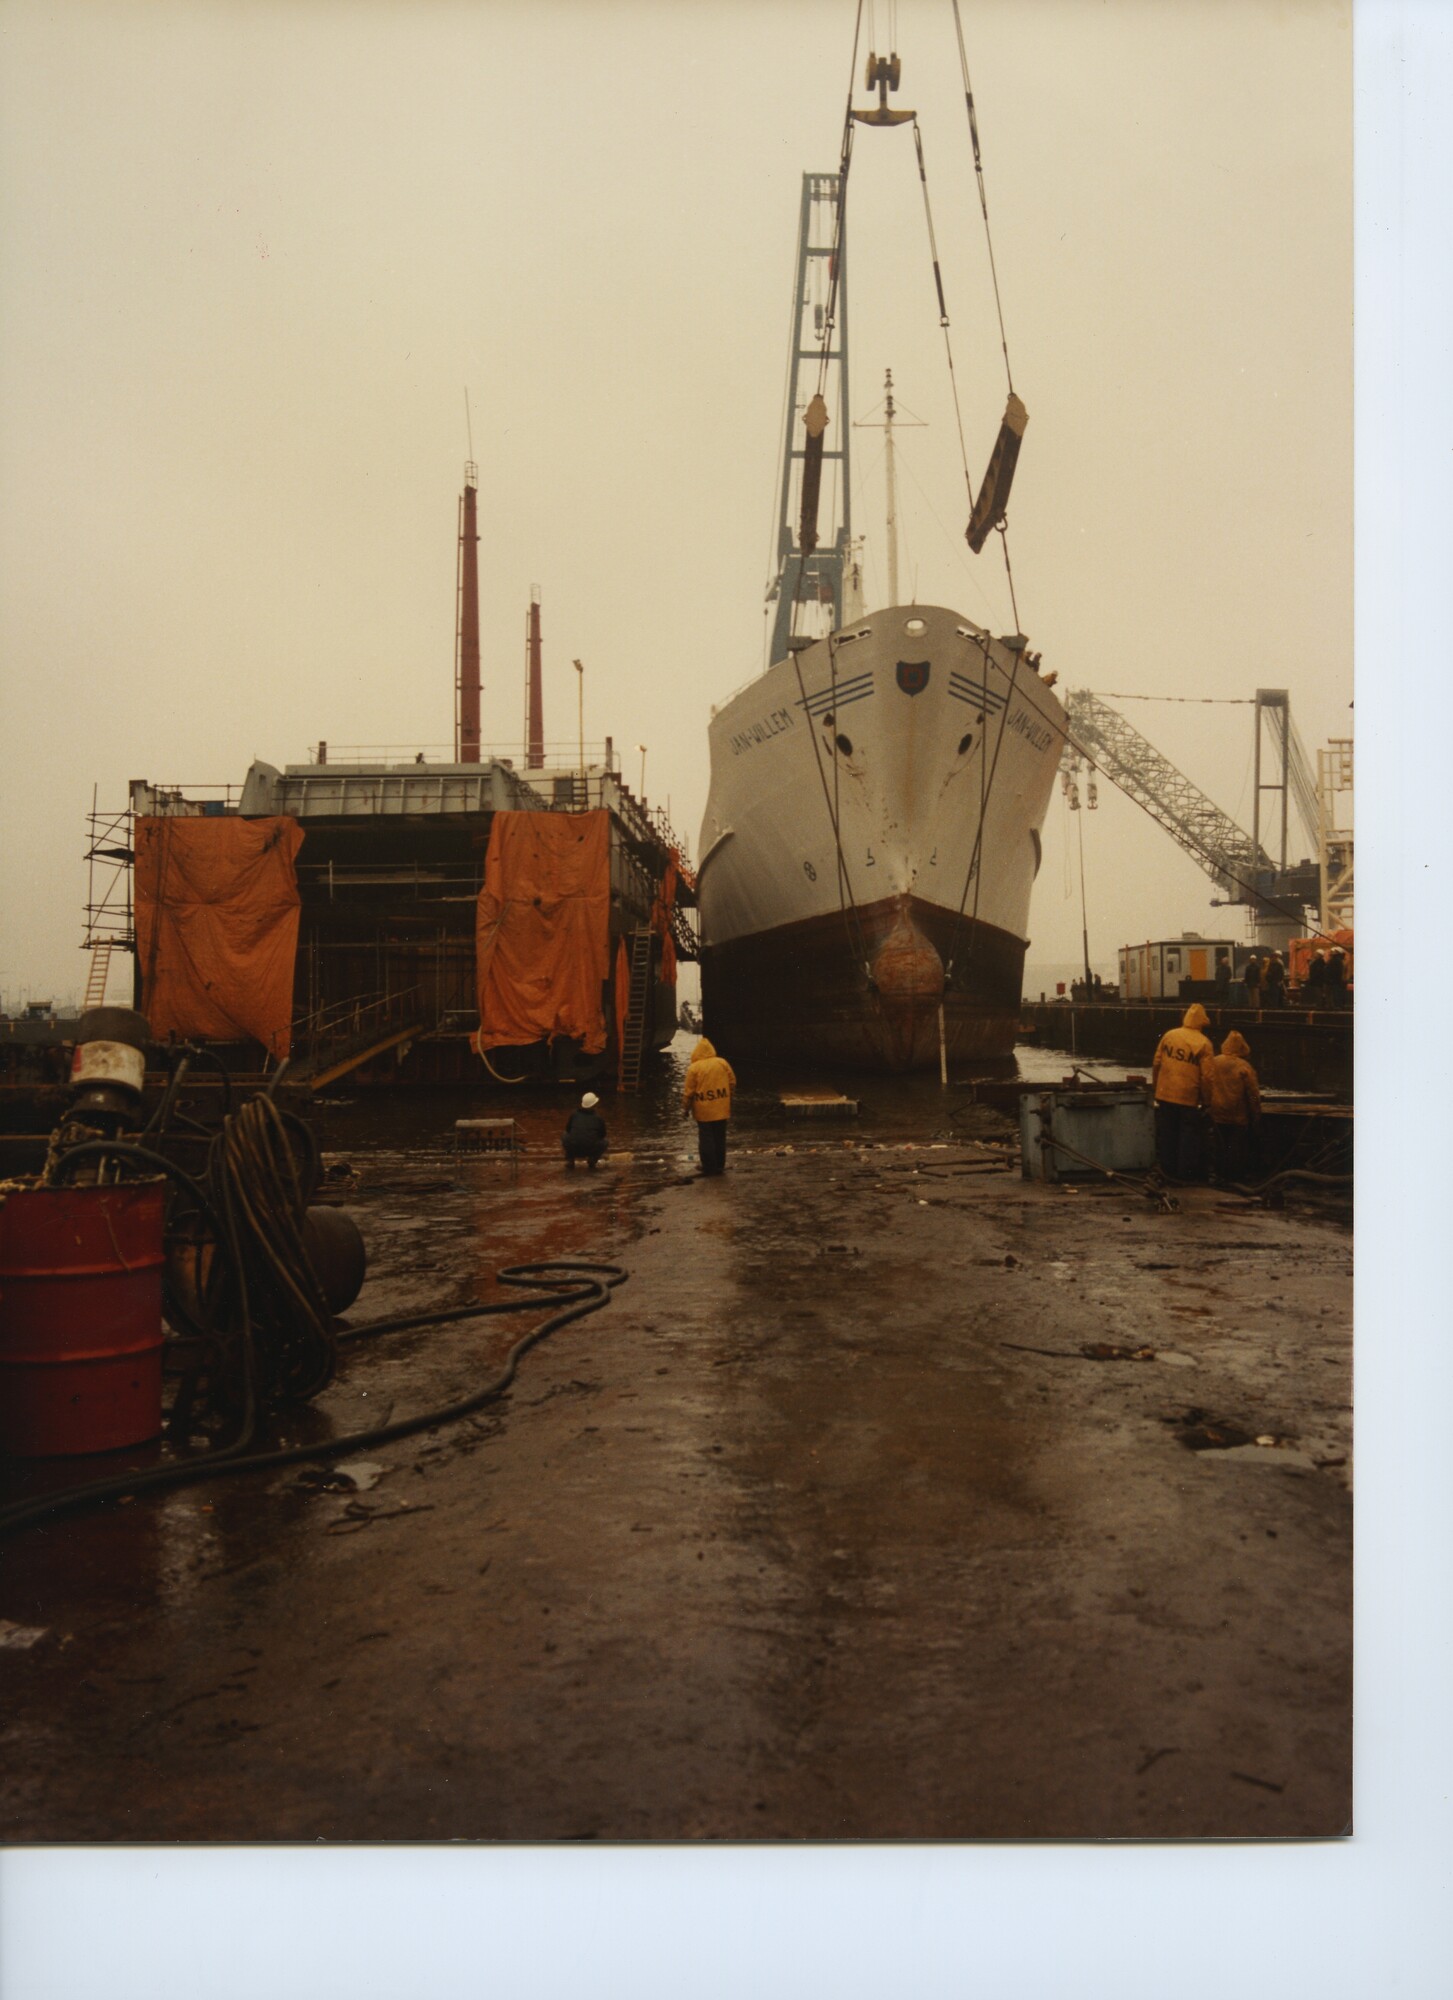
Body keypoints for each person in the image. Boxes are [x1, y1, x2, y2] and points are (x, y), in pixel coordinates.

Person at [1151, 1002, 1214, 1181]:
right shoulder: (1204, 1043)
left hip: (1165, 1094)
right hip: (1188, 1097)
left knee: (1167, 1134)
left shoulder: (1169, 1035)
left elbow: (1156, 1063)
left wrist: (1157, 1088)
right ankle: (1184, 1176)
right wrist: (1207, 1101)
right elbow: (1207, 1077)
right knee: (1188, 1136)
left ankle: (1167, 1172)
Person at [1208, 1029, 1262, 1184]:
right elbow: (1253, 1094)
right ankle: (1234, 1178)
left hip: (1216, 1111)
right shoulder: (1244, 1066)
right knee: (1236, 1148)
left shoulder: (1214, 1061)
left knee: (1220, 1145)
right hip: (1237, 1114)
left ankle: (1219, 1175)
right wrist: (1256, 1115)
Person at [682, 1034, 736, 1176]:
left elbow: (689, 1092)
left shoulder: (694, 1068)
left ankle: (709, 1167)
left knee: (706, 1138)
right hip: (721, 1108)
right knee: (720, 1137)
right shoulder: (722, 1063)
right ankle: (719, 1165)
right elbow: (732, 1082)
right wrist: (728, 1097)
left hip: (703, 1110)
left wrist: (685, 1109)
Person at [562, 1091, 608, 1170]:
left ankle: (570, 1160)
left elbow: (568, 1130)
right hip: (590, 1150)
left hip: (573, 1148)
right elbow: (603, 1135)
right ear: (594, 1105)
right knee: (605, 1142)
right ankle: (592, 1160)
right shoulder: (598, 1118)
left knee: (564, 1136)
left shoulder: (574, 1115)